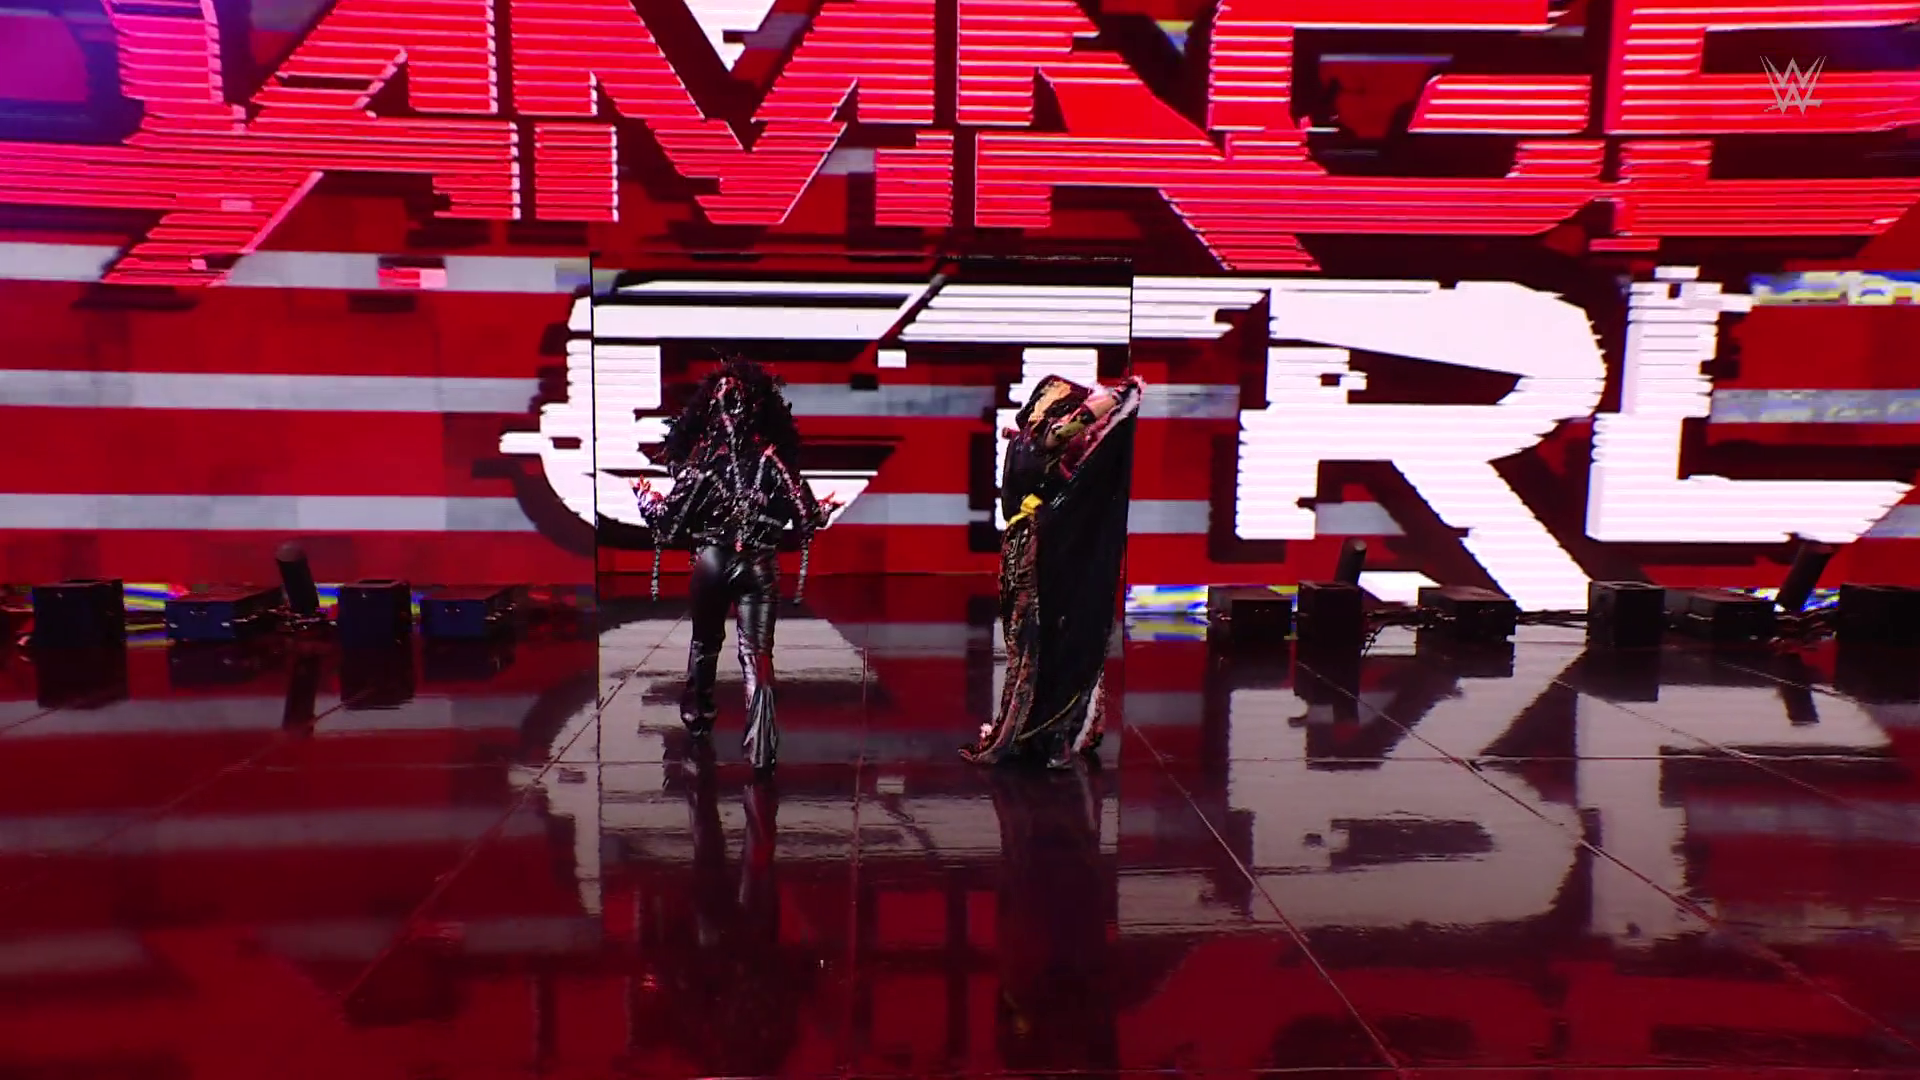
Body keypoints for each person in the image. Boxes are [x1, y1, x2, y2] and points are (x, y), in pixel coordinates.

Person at [632, 356, 838, 772]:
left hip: (711, 561)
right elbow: (806, 516)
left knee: (704, 643)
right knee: (757, 654)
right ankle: (761, 750)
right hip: (758, 565)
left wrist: (644, 498)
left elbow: (667, 522)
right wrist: (824, 510)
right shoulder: (774, 462)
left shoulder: (702, 465)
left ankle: (697, 718)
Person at [965, 374, 1144, 769]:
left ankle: (1046, 734)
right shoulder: (1037, 440)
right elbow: (1076, 423)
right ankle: (1039, 735)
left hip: (1029, 549)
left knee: (1041, 641)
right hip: (1033, 553)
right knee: (1038, 642)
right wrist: (1119, 398)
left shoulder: (1025, 443)